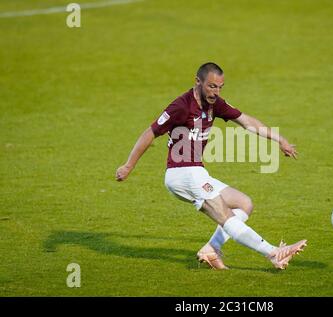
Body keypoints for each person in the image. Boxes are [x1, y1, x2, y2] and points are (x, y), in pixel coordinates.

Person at [115, 62, 307, 270]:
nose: (216, 92)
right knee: (225, 214)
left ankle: (211, 249)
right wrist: (128, 166)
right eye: (212, 86)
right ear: (198, 82)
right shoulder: (181, 106)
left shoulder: (215, 104)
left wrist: (280, 139)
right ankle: (273, 253)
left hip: (196, 171)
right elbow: (150, 132)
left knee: (243, 204)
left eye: (220, 87)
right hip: (182, 173)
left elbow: (247, 121)